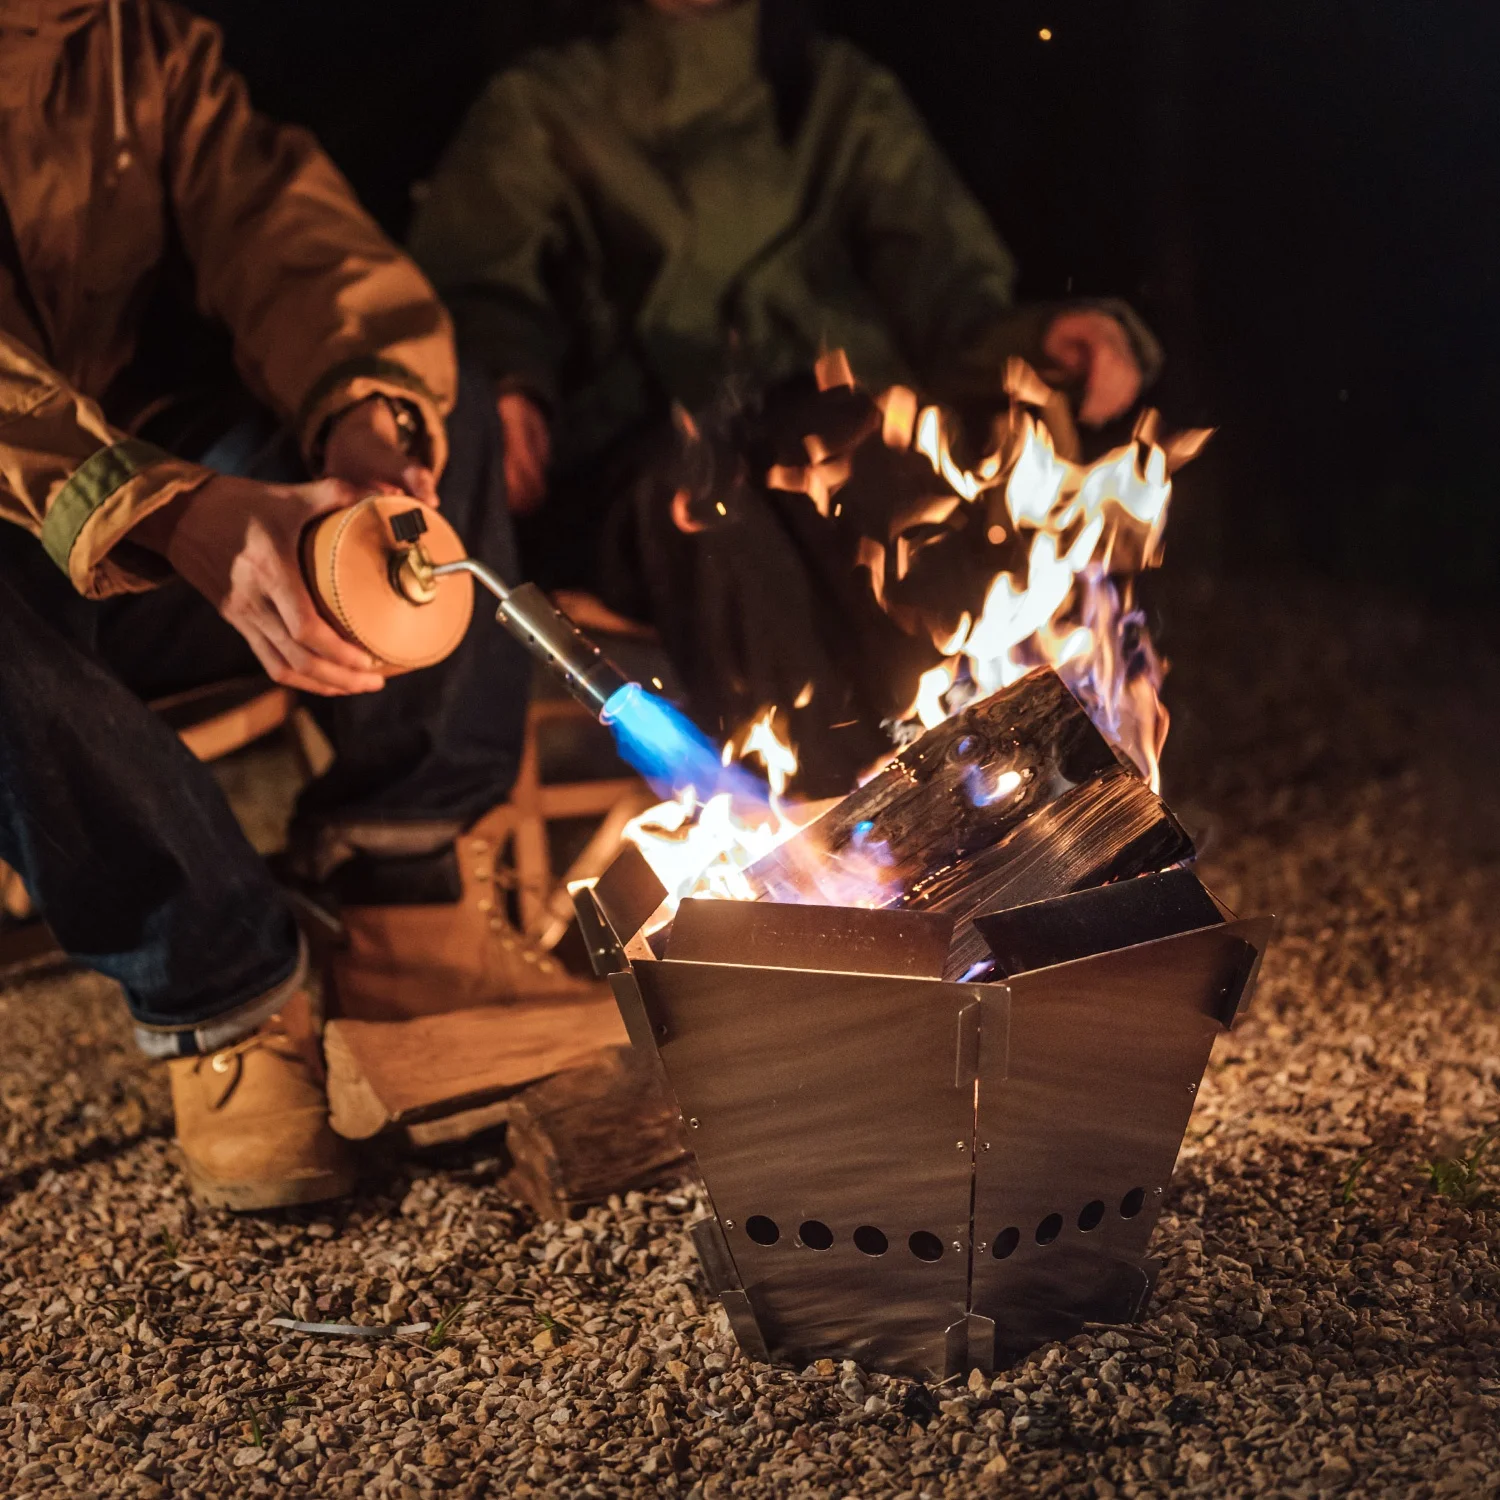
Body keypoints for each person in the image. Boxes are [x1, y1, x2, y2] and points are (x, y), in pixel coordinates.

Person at [0, 0, 572, 1211]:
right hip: (50, 530)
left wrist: (363, 412)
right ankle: (222, 1003)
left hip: (122, 503)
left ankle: (404, 898)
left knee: (430, 393)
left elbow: (280, 228)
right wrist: (162, 508)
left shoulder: (132, 39)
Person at [409, 0, 1161, 787]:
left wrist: (1043, 337)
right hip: (631, 455)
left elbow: (944, 282)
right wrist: (510, 380)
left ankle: (996, 789)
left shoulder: (832, 93)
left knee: (879, 475)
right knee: (706, 503)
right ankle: (834, 834)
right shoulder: (540, 102)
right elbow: (480, 281)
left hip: (830, 421)